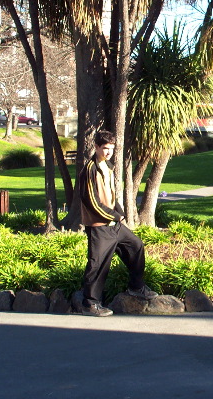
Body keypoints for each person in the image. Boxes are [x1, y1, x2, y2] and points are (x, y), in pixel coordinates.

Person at [78, 130, 158, 317]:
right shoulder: (89, 169)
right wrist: (115, 216)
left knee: (136, 246)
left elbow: (111, 196)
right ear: (96, 147)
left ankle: (136, 288)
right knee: (97, 265)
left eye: (111, 149)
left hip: (114, 224)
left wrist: (119, 214)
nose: (108, 152)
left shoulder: (108, 166)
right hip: (99, 226)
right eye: (105, 148)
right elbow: (91, 201)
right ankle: (90, 304)